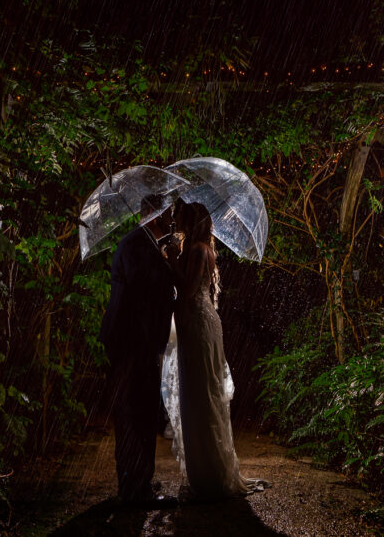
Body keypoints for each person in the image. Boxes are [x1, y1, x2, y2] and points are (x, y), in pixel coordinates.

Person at [163, 201, 269, 500]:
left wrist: (171, 260)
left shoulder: (197, 250)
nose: (175, 224)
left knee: (202, 397)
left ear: (191, 221)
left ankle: (211, 475)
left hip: (199, 325)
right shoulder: (197, 249)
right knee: (200, 395)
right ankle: (207, 470)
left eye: (179, 218)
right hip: (197, 323)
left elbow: (187, 289)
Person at [99, 194, 180, 504]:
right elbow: (149, 292)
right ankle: (135, 488)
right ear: (155, 215)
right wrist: (170, 266)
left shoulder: (141, 244)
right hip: (133, 343)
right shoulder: (137, 245)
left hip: (132, 342)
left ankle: (137, 483)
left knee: (137, 412)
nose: (172, 220)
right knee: (135, 413)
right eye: (169, 213)